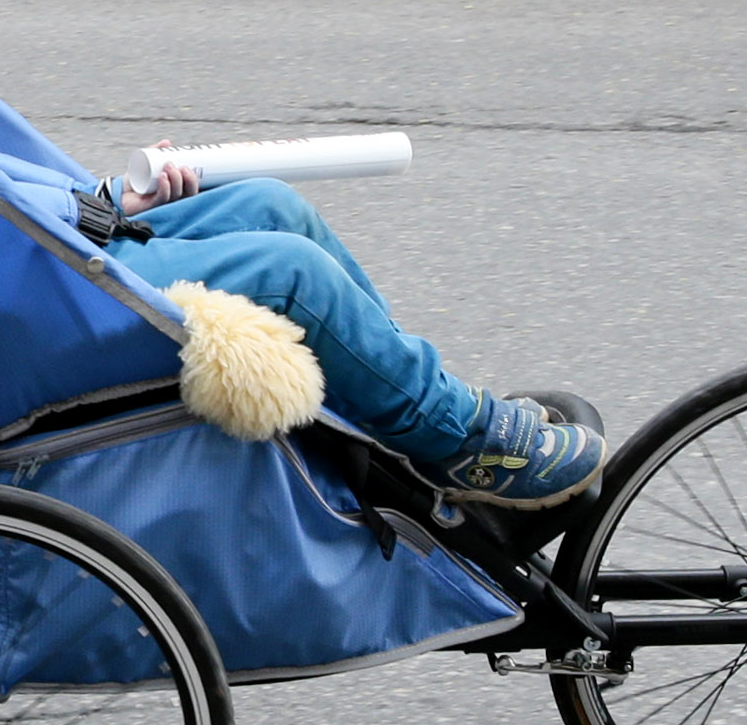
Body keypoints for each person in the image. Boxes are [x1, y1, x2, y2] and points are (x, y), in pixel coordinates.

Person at [103, 154, 600, 503]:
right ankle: (455, 437)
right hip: (45, 278)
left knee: (272, 205)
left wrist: (101, 197)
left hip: (51, 229)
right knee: (290, 273)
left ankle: (400, 406)